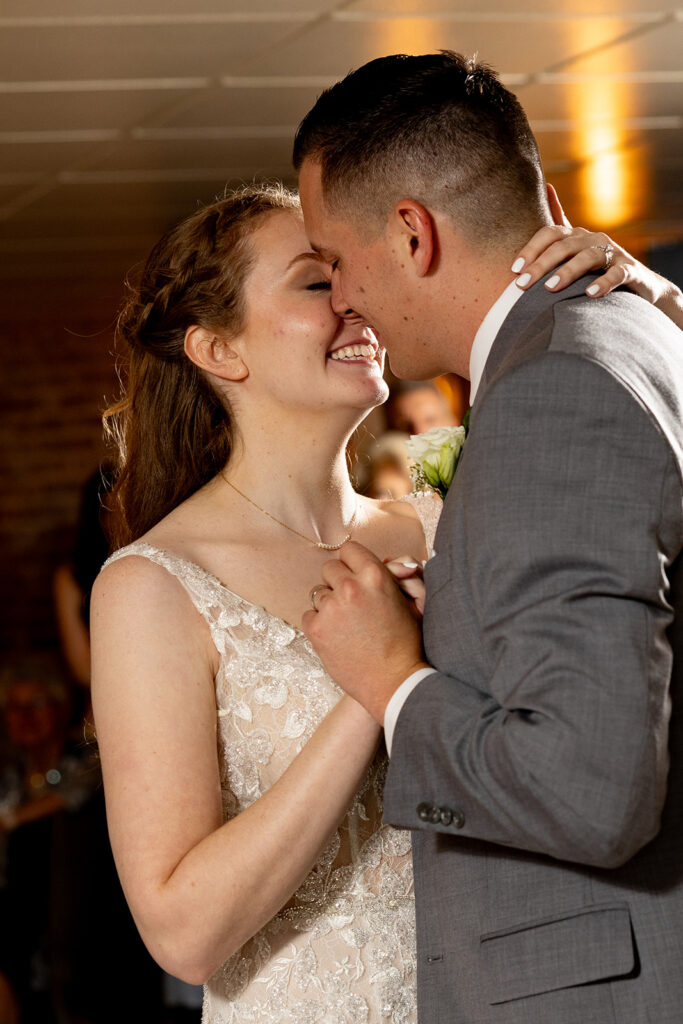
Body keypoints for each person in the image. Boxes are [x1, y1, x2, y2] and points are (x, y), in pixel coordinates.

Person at [90, 182, 671, 1024]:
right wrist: (372, 689)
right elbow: (182, 933)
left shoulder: (439, 521)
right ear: (219, 350)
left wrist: (653, 312)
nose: (354, 300)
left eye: (347, 272)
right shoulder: (155, 583)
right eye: (315, 283)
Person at [295, 52, 683, 1024]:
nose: (340, 298)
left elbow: (594, 789)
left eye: (333, 261)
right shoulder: (640, 329)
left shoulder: (550, 387)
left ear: (411, 232)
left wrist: (393, 683)